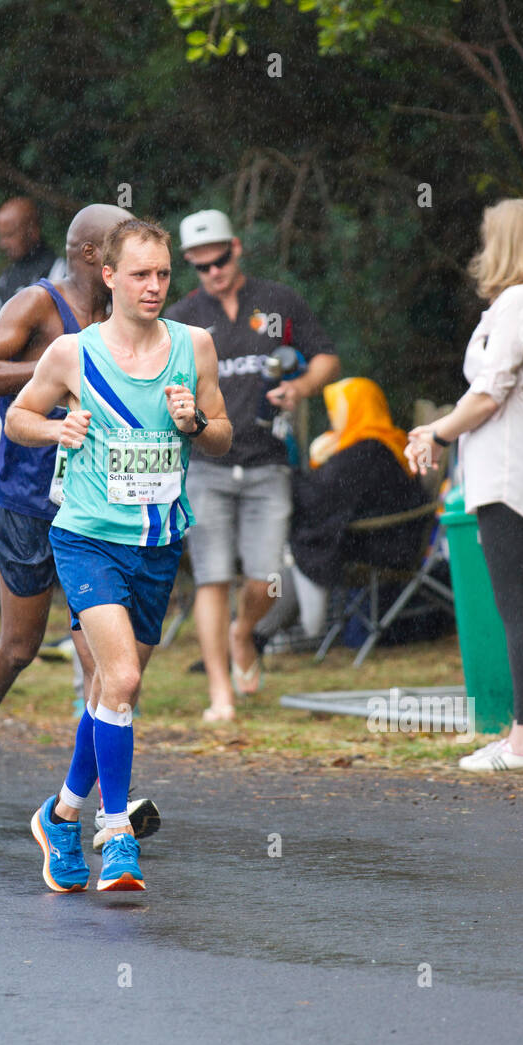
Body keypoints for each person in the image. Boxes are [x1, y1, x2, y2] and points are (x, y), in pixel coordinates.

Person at [6, 217, 231, 892]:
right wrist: (55, 426)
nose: (155, 286)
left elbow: (222, 436)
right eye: (140, 274)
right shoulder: (74, 354)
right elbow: (18, 416)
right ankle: (117, 834)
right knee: (123, 680)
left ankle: (60, 814)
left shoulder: (196, 347)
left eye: (163, 273)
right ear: (109, 277)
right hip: (87, 538)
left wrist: (194, 421)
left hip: (158, 544)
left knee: (111, 689)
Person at [0, 204, 133, 827]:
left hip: (92, 505)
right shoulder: (37, 304)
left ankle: (99, 802)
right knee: (20, 646)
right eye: (120, 250)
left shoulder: (126, 316)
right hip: (25, 502)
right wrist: (58, 368)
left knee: (103, 663)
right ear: (89, 257)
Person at [167, 209, 339, 721]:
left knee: (267, 578)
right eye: (202, 266)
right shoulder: (180, 318)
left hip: (268, 462)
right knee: (212, 578)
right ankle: (220, 692)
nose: (213, 272)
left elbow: (326, 356)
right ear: (190, 266)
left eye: (220, 260)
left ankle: (246, 634)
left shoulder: (279, 301)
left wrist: (301, 387)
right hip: (206, 465)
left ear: (236, 249)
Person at [406, 198, 523, 773]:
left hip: (511, 461)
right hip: (522, 452)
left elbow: (492, 391)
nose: (483, 247)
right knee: (520, 600)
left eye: (491, 236)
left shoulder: (521, 301)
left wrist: (436, 434)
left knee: (516, 601)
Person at [285, 377, 428, 632]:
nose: (332, 417)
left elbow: (320, 497)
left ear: (358, 409)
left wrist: (288, 474)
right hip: (385, 538)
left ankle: (305, 630)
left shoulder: (367, 450)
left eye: (338, 409)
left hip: (381, 546)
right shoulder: (383, 442)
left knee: (299, 539)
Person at [0, 198, 60, 317]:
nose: (3, 244)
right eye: (1, 236)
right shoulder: (6, 277)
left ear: (32, 231)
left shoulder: (57, 269)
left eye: (9, 235)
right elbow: (0, 324)